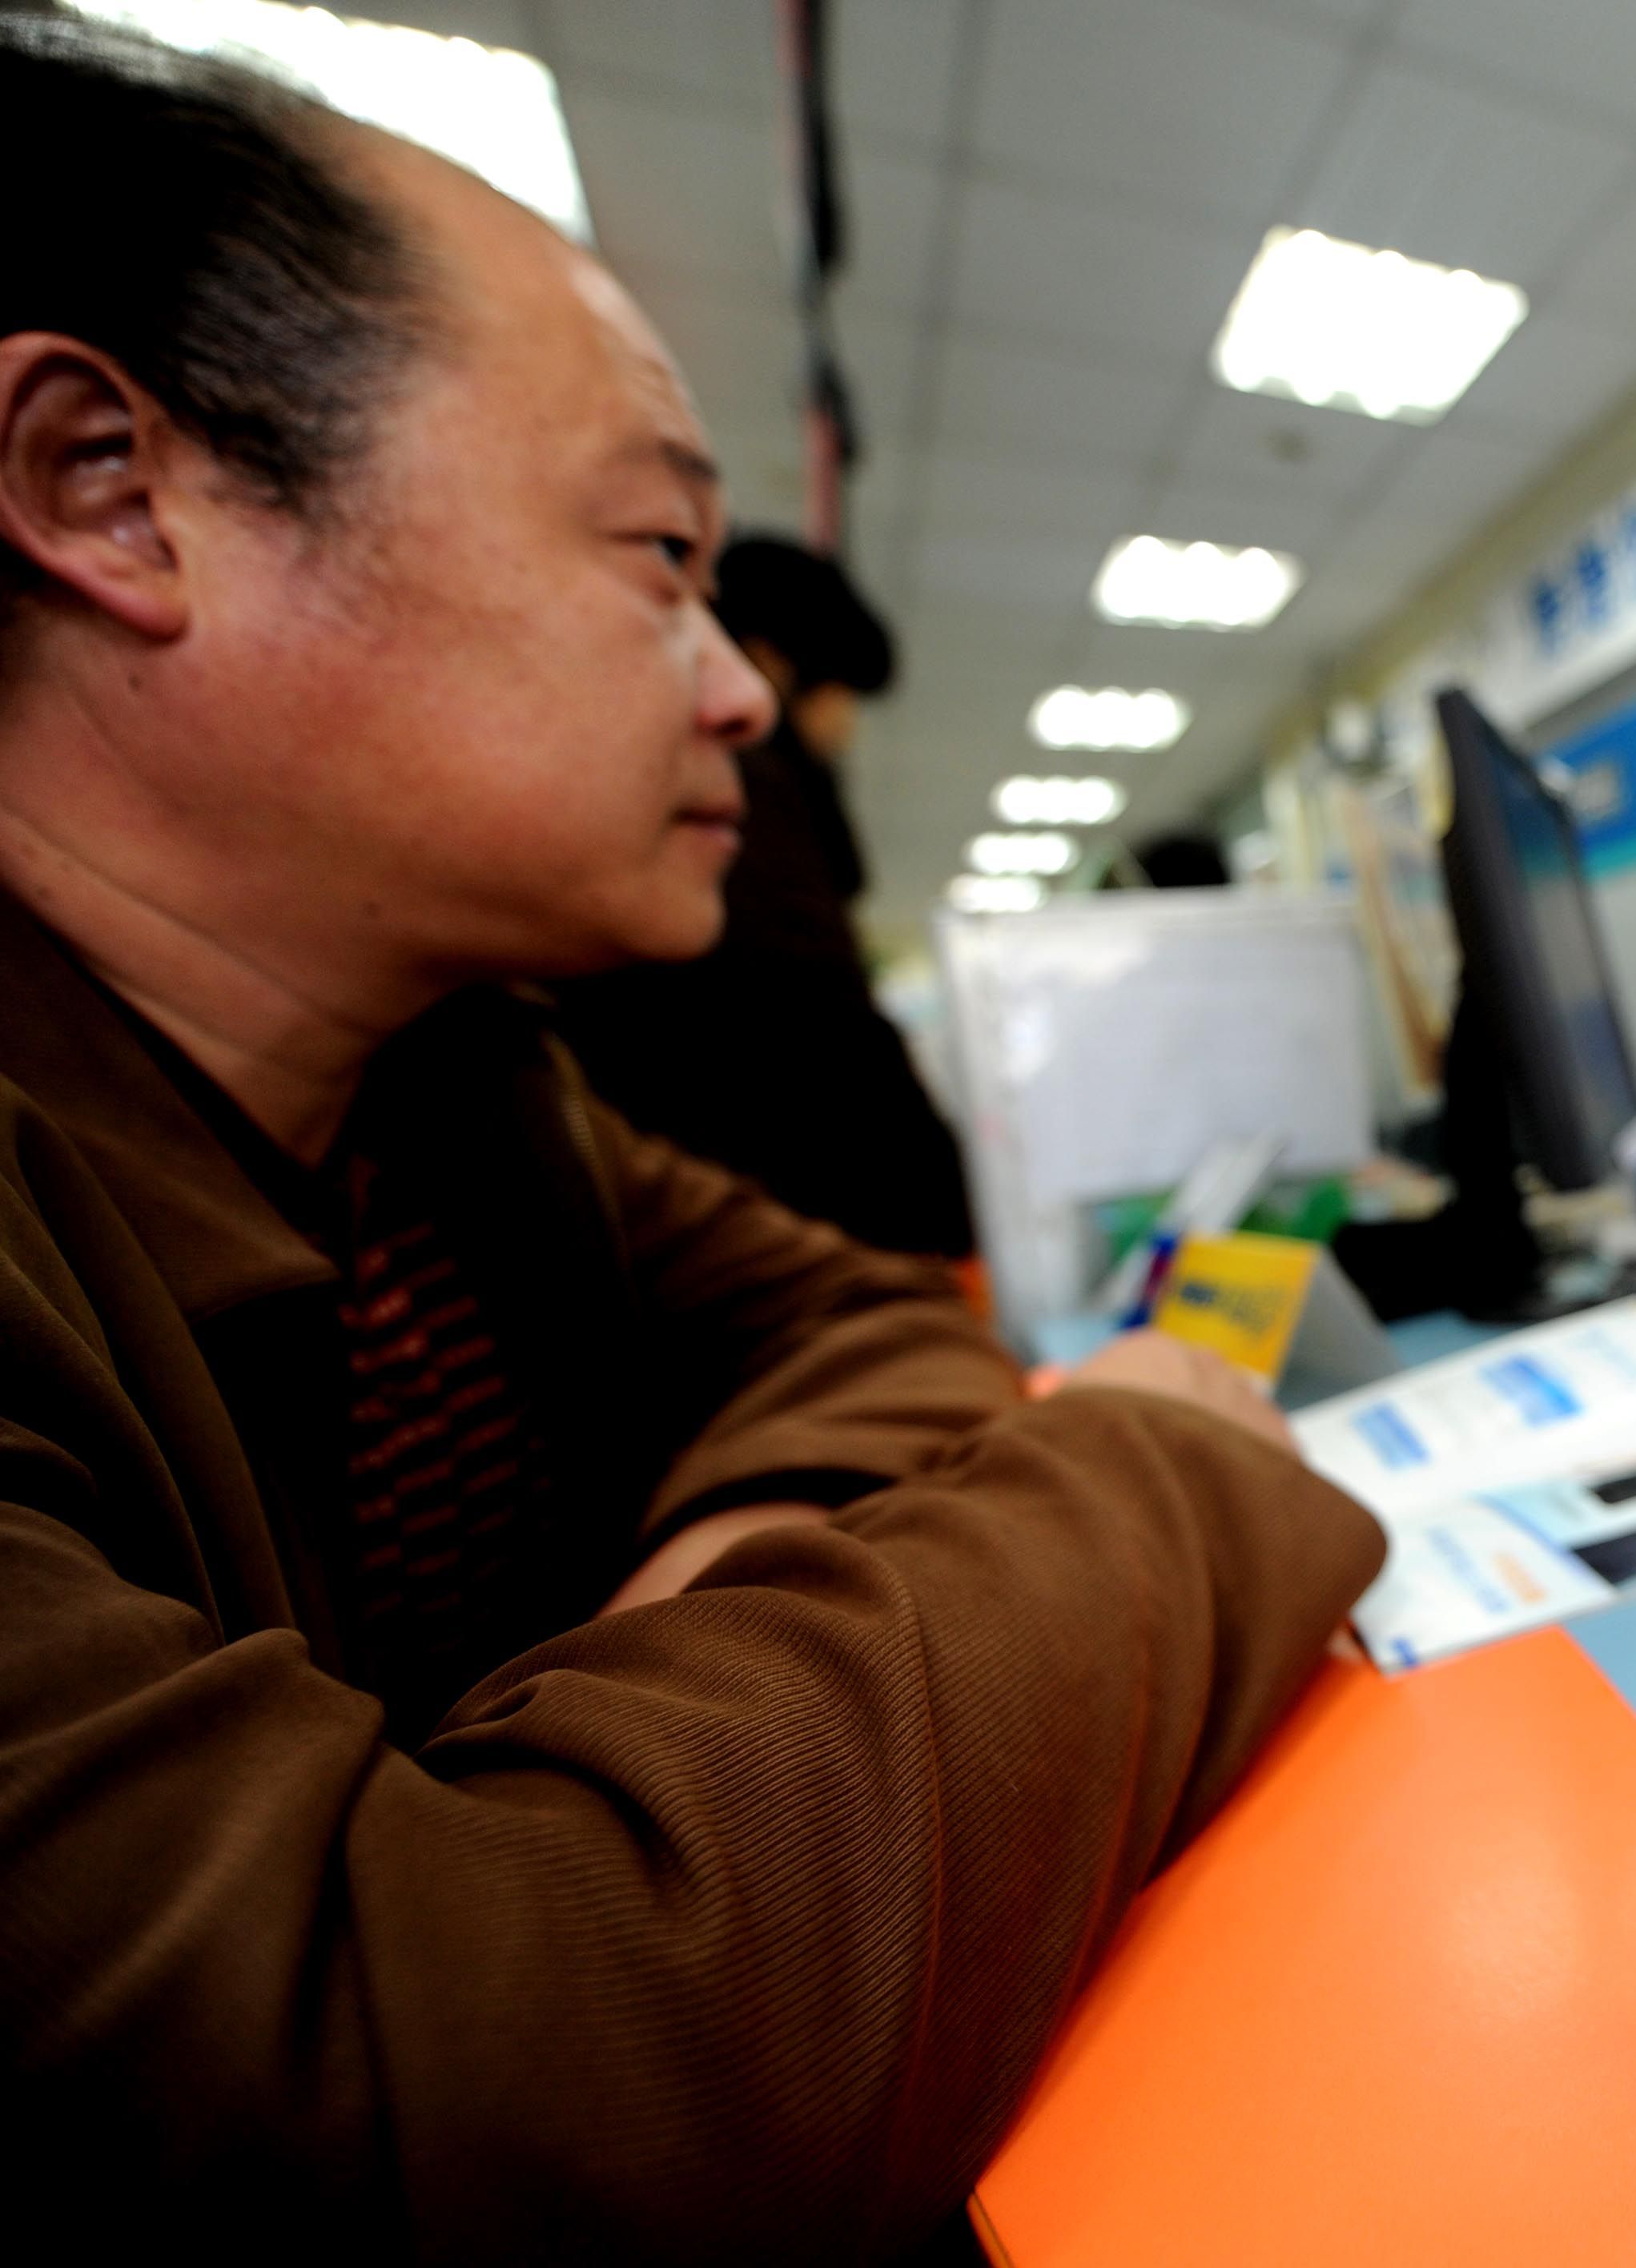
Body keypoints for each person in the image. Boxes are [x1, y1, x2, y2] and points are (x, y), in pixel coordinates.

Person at [0, 22, 1380, 2259]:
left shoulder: (462, 1092)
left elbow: (865, 1318)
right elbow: (470, 2082)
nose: (737, 688)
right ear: (109, 495)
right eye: (659, 552)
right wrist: (1170, 1460)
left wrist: (723, 1610)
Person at [551, 535, 978, 1259]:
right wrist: (953, 1215)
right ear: (776, 660)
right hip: (774, 1232)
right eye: (843, 694)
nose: (845, 728)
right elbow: (821, 1027)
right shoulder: (747, 798)